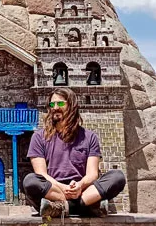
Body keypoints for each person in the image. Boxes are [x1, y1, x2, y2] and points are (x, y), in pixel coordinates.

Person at [24, 87, 126, 217]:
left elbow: (92, 174)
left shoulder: (89, 137)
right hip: (53, 190)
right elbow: (41, 174)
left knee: (117, 177)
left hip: (82, 190)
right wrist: (63, 188)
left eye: (60, 103)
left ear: (72, 106)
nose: (55, 107)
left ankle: (62, 208)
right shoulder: (38, 137)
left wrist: (79, 186)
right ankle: (86, 207)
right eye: (52, 104)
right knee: (30, 181)